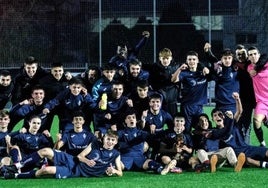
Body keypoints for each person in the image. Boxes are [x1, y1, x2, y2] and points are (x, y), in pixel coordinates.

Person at [3, 130, 122, 179]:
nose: (110, 142)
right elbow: (80, 156)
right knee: (45, 151)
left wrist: (114, 171)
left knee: (46, 171)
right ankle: (16, 166)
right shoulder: (95, 144)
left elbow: (120, 173)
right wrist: (87, 161)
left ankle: (14, 176)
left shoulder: (116, 154)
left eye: (113, 140)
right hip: (73, 161)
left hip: (76, 172)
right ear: (104, 139)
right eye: (108, 139)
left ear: (116, 142)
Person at [117, 109, 173, 175]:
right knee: (116, 165)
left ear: (136, 120)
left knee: (151, 163)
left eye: (133, 117)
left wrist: (155, 132)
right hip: (125, 158)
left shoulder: (142, 133)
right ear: (125, 121)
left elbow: (156, 137)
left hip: (140, 158)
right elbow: (117, 143)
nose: (131, 119)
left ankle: (161, 168)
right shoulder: (121, 133)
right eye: (129, 118)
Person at [171, 50, 211, 133]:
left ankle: (199, 145)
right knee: (186, 130)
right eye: (189, 59)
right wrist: (179, 69)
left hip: (199, 106)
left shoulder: (203, 72)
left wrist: (207, 70)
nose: (191, 61)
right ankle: (185, 145)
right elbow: (173, 80)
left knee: (202, 128)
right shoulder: (184, 73)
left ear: (197, 61)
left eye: (193, 59)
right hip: (187, 106)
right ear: (186, 61)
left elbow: (213, 73)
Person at [204, 43, 239, 114]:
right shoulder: (218, 70)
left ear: (232, 59)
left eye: (229, 58)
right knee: (221, 125)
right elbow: (213, 61)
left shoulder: (236, 69)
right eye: (225, 58)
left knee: (233, 124)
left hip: (233, 104)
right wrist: (207, 52)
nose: (227, 60)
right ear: (221, 59)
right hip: (219, 105)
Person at [147, 48, 180, 116]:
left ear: (171, 58)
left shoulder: (176, 67)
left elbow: (192, 66)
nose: (165, 61)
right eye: (163, 58)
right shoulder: (154, 67)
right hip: (159, 103)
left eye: (167, 58)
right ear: (160, 58)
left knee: (173, 123)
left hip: (172, 102)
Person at [247, 46, 268, 147]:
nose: (253, 56)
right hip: (261, 101)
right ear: (248, 57)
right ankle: (262, 144)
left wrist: (258, 67)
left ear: (259, 55)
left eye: (255, 54)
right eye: (250, 54)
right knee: (256, 121)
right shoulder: (249, 68)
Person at [235, 44, 256, 144]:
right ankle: (239, 147)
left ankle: (246, 147)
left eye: (243, 53)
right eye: (238, 54)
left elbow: (263, 58)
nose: (241, 56)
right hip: (237, 100)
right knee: (237, 124)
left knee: (247, 125)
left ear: (247, 54)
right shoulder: (234, 65)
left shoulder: (250, 65)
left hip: (248, 101)